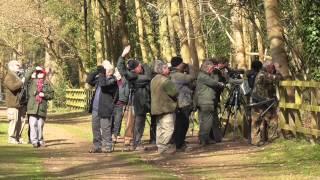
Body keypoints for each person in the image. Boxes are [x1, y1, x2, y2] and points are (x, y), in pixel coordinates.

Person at [117, 45, 152, 151]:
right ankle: (136, 143)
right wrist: (122, 56)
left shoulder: (136, 74)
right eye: (139, 67)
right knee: (137, 122)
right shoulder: (134, 76)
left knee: (139, 122)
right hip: (137, 102)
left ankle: (136, 142)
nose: (141, 67)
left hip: (143, 101)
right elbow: (122, 70)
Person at [87, 60, 118, 153]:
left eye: (105, 71)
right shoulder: (100, 78)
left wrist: (101, 74)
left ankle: (107, 146)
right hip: (96, 108)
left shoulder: (113, 81)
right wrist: (97, 71)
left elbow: (104, 86)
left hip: (105, 108)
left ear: (109, 71)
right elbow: (89, 80)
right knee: (95, 128)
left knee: (105, 128)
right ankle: (97, 146)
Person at [250, 60, 282, 146]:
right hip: (263, 101)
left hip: (257, 100)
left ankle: (255, 140)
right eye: (272, 68)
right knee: (272, 119)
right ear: (268, 67)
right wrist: (278, 70)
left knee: (256, 121)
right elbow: (278, 78)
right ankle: (272, 138)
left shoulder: (261, 73)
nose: (273, 69)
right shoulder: (264, 74)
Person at [194, 59, 225, 146]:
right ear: (207, 68)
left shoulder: (203, 75)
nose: (212, 70)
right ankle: (204, 140)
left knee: (205, 122)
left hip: (204, 101)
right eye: (211, 69)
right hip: (206, 102)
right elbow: (214, 83)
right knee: (207, 122)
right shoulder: (203, 76)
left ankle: (203, 139)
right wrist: (216, 75)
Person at [151, 60, 178, 154]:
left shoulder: (153, 79)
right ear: (161, 69)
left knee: (160, 128)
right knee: (168, 128)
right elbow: (174, 92)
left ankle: (160, 146)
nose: (168, 69)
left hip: (157, 108)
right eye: (166, 68)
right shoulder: (166, 81)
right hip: (166, 108)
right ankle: (164, 147)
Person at [169, 56, 195, 151]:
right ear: (179, 65)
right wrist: (191, 67)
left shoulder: (173, 74)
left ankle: (178, 142)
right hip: (182, 103)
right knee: (183, 124)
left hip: (180, 102)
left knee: (180, 124)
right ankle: (179, 144)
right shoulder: (178, 75)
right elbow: (191, 77)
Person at [26, 66, 54, 148]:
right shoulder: (31, 82)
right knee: (33, 124)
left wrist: (44, 95)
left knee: (40, 125)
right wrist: (34, 68)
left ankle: (40, 140)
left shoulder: (46, 83)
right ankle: (34, 141)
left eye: (41, 73)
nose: (39, 74)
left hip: (42, 107)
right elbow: (27, 76)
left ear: (44, 74)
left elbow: (52, 95)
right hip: (32, 107)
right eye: (38, 73)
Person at [4, 60, 25, 144]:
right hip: (12, 104)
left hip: (18, 104)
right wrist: (21, 82)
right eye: (17, 65)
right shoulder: (9, 76)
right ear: (11, 66)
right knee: (14, 120)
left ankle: (17, 137)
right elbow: (13, 87)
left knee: (20, 121)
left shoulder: (16, 76)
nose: (19, 67)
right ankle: (11, 138)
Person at [112, 68, 129, 141]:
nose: (117, 73)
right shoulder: (112, 80)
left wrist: (125, 99)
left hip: (120, 102)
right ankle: (113, 133)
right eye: (116, 72)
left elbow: (126, 91)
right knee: (112, 118)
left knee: (118, 119)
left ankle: (116, 134)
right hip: (112, 102)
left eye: (118, 72)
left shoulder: (124, 81)